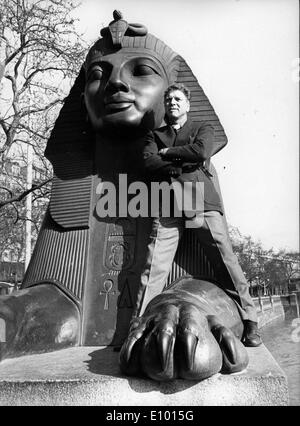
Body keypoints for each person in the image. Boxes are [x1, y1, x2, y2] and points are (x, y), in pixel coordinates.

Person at [133, 83, 262, 347]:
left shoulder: (202, 128)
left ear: (187, 105)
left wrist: (168, 153)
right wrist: (185, 159)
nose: (173, 103)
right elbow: (148, 163)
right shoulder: (153, 135)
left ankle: (250, 321)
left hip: (200, 199)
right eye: (169, 99)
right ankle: (139, 326)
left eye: (178, 99)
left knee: (225, 257)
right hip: (167, 203)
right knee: (153, 266)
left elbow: (202, 151)